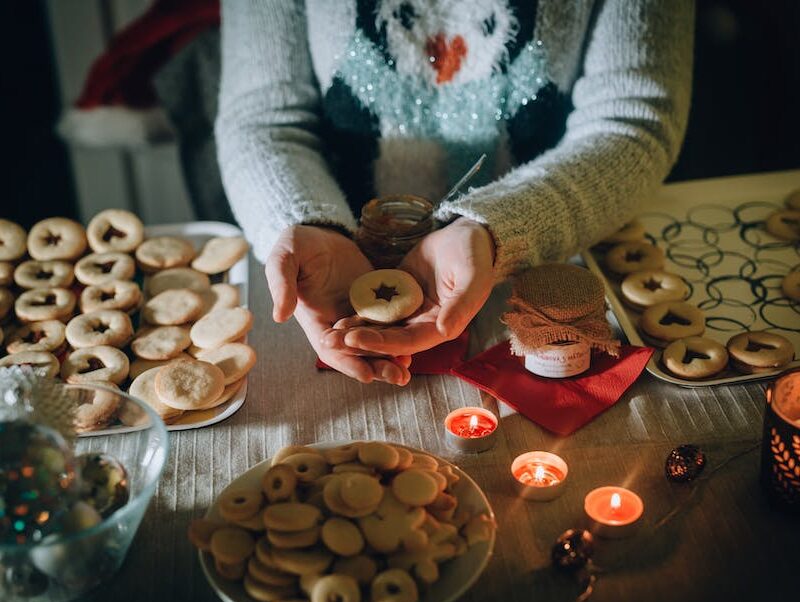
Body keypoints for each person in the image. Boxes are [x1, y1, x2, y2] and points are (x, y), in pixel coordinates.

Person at [215, 0, 694, 385]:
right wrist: (304, 220)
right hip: (327, 282)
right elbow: (264, 119)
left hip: (546, 279)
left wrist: (494, 230)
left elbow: (633, 121)